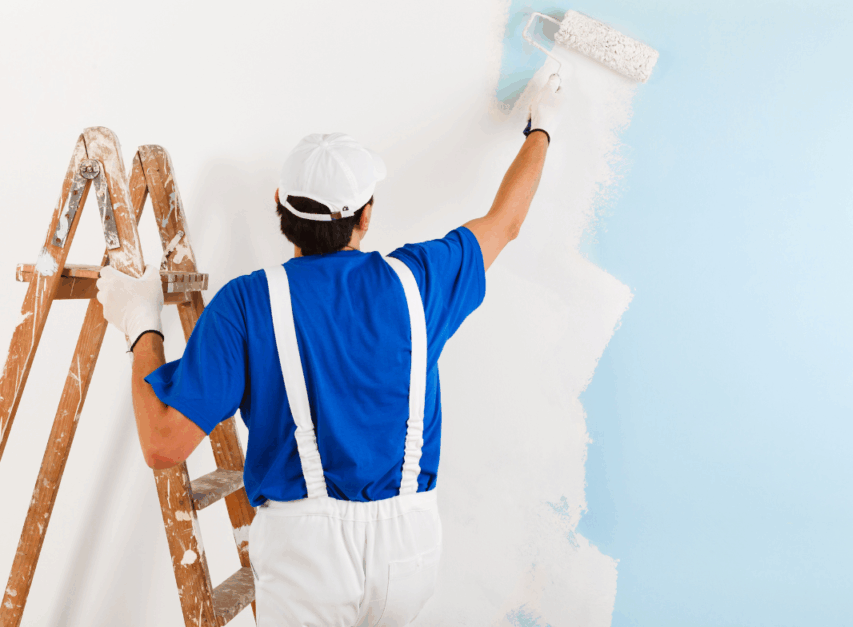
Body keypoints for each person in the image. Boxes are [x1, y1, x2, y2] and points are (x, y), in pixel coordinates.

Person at [95, 73, 563, 626]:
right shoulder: (419, 281)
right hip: (409, 551)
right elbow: (505, 222)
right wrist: (542, 127)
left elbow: (163, 444)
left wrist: (142, 326)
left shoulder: (246, 304)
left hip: (306, 561)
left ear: (280, 206)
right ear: (366, 215)